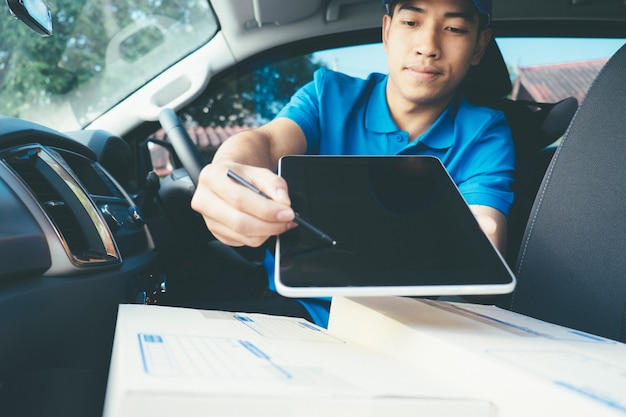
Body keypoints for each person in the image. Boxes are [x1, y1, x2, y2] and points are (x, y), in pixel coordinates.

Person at [191, 0, 515, 327]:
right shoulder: (327, 94)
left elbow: (485, 238)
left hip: (414, 328)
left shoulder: (485, 132)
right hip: (297, 314)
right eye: (411, 23)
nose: (428, 47)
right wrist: (229, 167)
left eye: (455, 29)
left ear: (479, 46)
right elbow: (268, 141)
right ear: (387, 30)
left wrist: (479, 247)